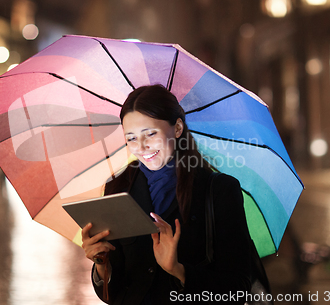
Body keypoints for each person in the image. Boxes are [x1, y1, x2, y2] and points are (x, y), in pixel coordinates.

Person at [81, 85, 255, 304]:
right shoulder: (118, 187)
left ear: (178, 128)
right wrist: (101, 264)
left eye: (150, 133)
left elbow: (238, 289)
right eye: (131, 138)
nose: (141, 147)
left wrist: (179, 270)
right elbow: (114, 294)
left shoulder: (219, 190)